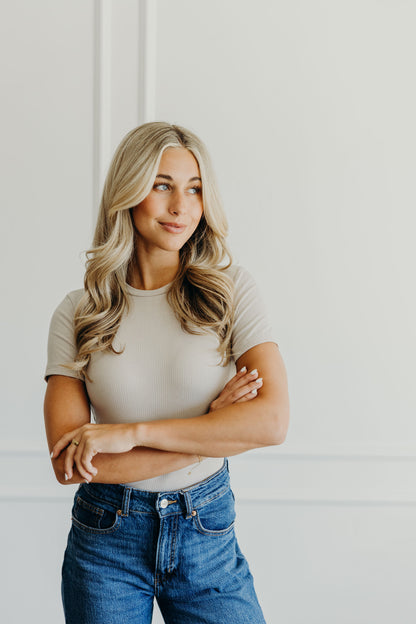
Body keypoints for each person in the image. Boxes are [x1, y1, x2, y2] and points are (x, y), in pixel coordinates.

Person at [44, 121, 290, 624]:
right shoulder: (78, 312)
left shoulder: (230, 291)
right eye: (162, 186)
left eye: (195, 189)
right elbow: (72, 464)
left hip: (207, 531)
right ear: (128, 191)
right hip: (106, 540)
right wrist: (211, 427)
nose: (181, 207)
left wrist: (127, 435)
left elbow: (271, 422)